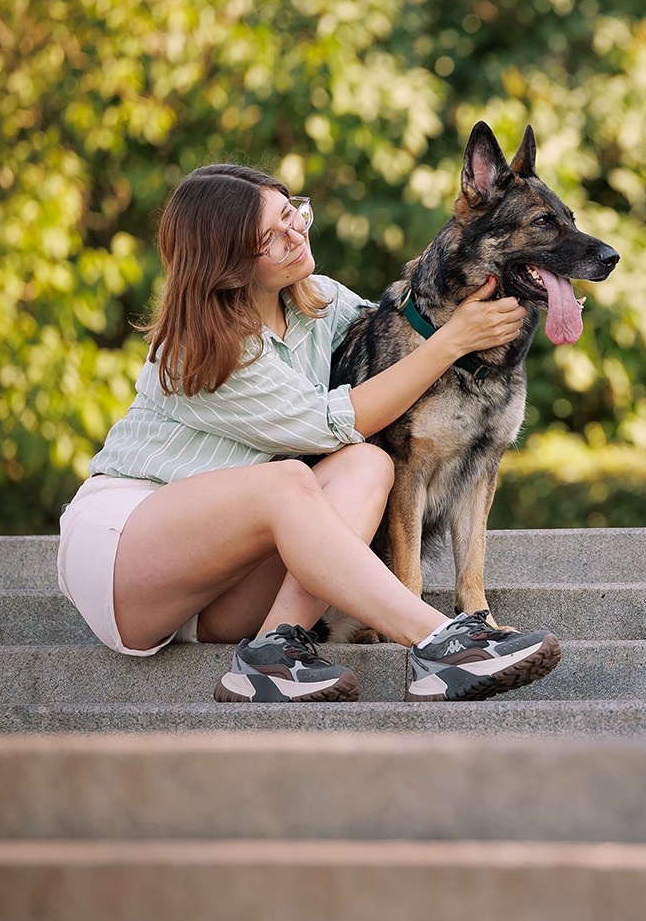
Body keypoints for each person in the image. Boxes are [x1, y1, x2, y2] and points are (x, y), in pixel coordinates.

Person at [57, 163, 560, 702]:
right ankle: (436, 641)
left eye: (291, 212)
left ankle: (275, 649)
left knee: (368, 465)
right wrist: (454, 341)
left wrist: (460, 297)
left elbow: (398, 339)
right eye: (270, 237)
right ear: (224, 264)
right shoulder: (198, 353)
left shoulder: (319, 303)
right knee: (293, 479)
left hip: (218, 593)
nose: (295, 232)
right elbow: (335, 423)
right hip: (127, 560)